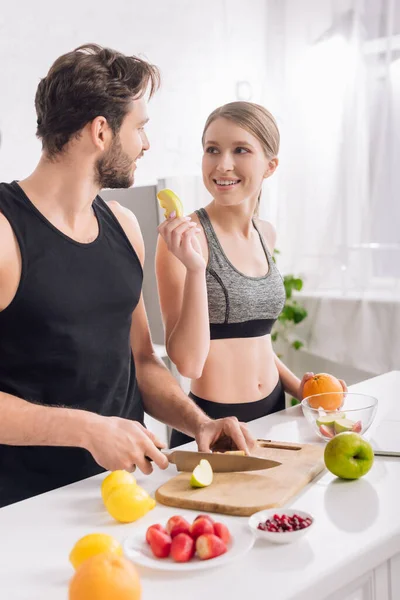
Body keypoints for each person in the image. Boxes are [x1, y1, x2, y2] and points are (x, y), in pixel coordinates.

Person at [0, 46, 255, 508]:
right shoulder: (4, 233)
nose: (146, 144)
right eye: (140, 128)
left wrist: (199, 423)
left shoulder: (123, 225)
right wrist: (86, 429)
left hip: (123, 496)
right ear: (101, 131)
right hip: (22, 509)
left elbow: (141, 361)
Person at [156, 101, 347, 447]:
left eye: (240, 150)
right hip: (214, 423)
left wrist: (300, 388)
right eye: (212, 149)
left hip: (275, 413)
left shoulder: (265, 233)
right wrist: (196, 269)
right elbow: (188, 363)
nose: (222, 164)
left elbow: (255, 339)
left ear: (270, 166)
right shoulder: (184, 238)